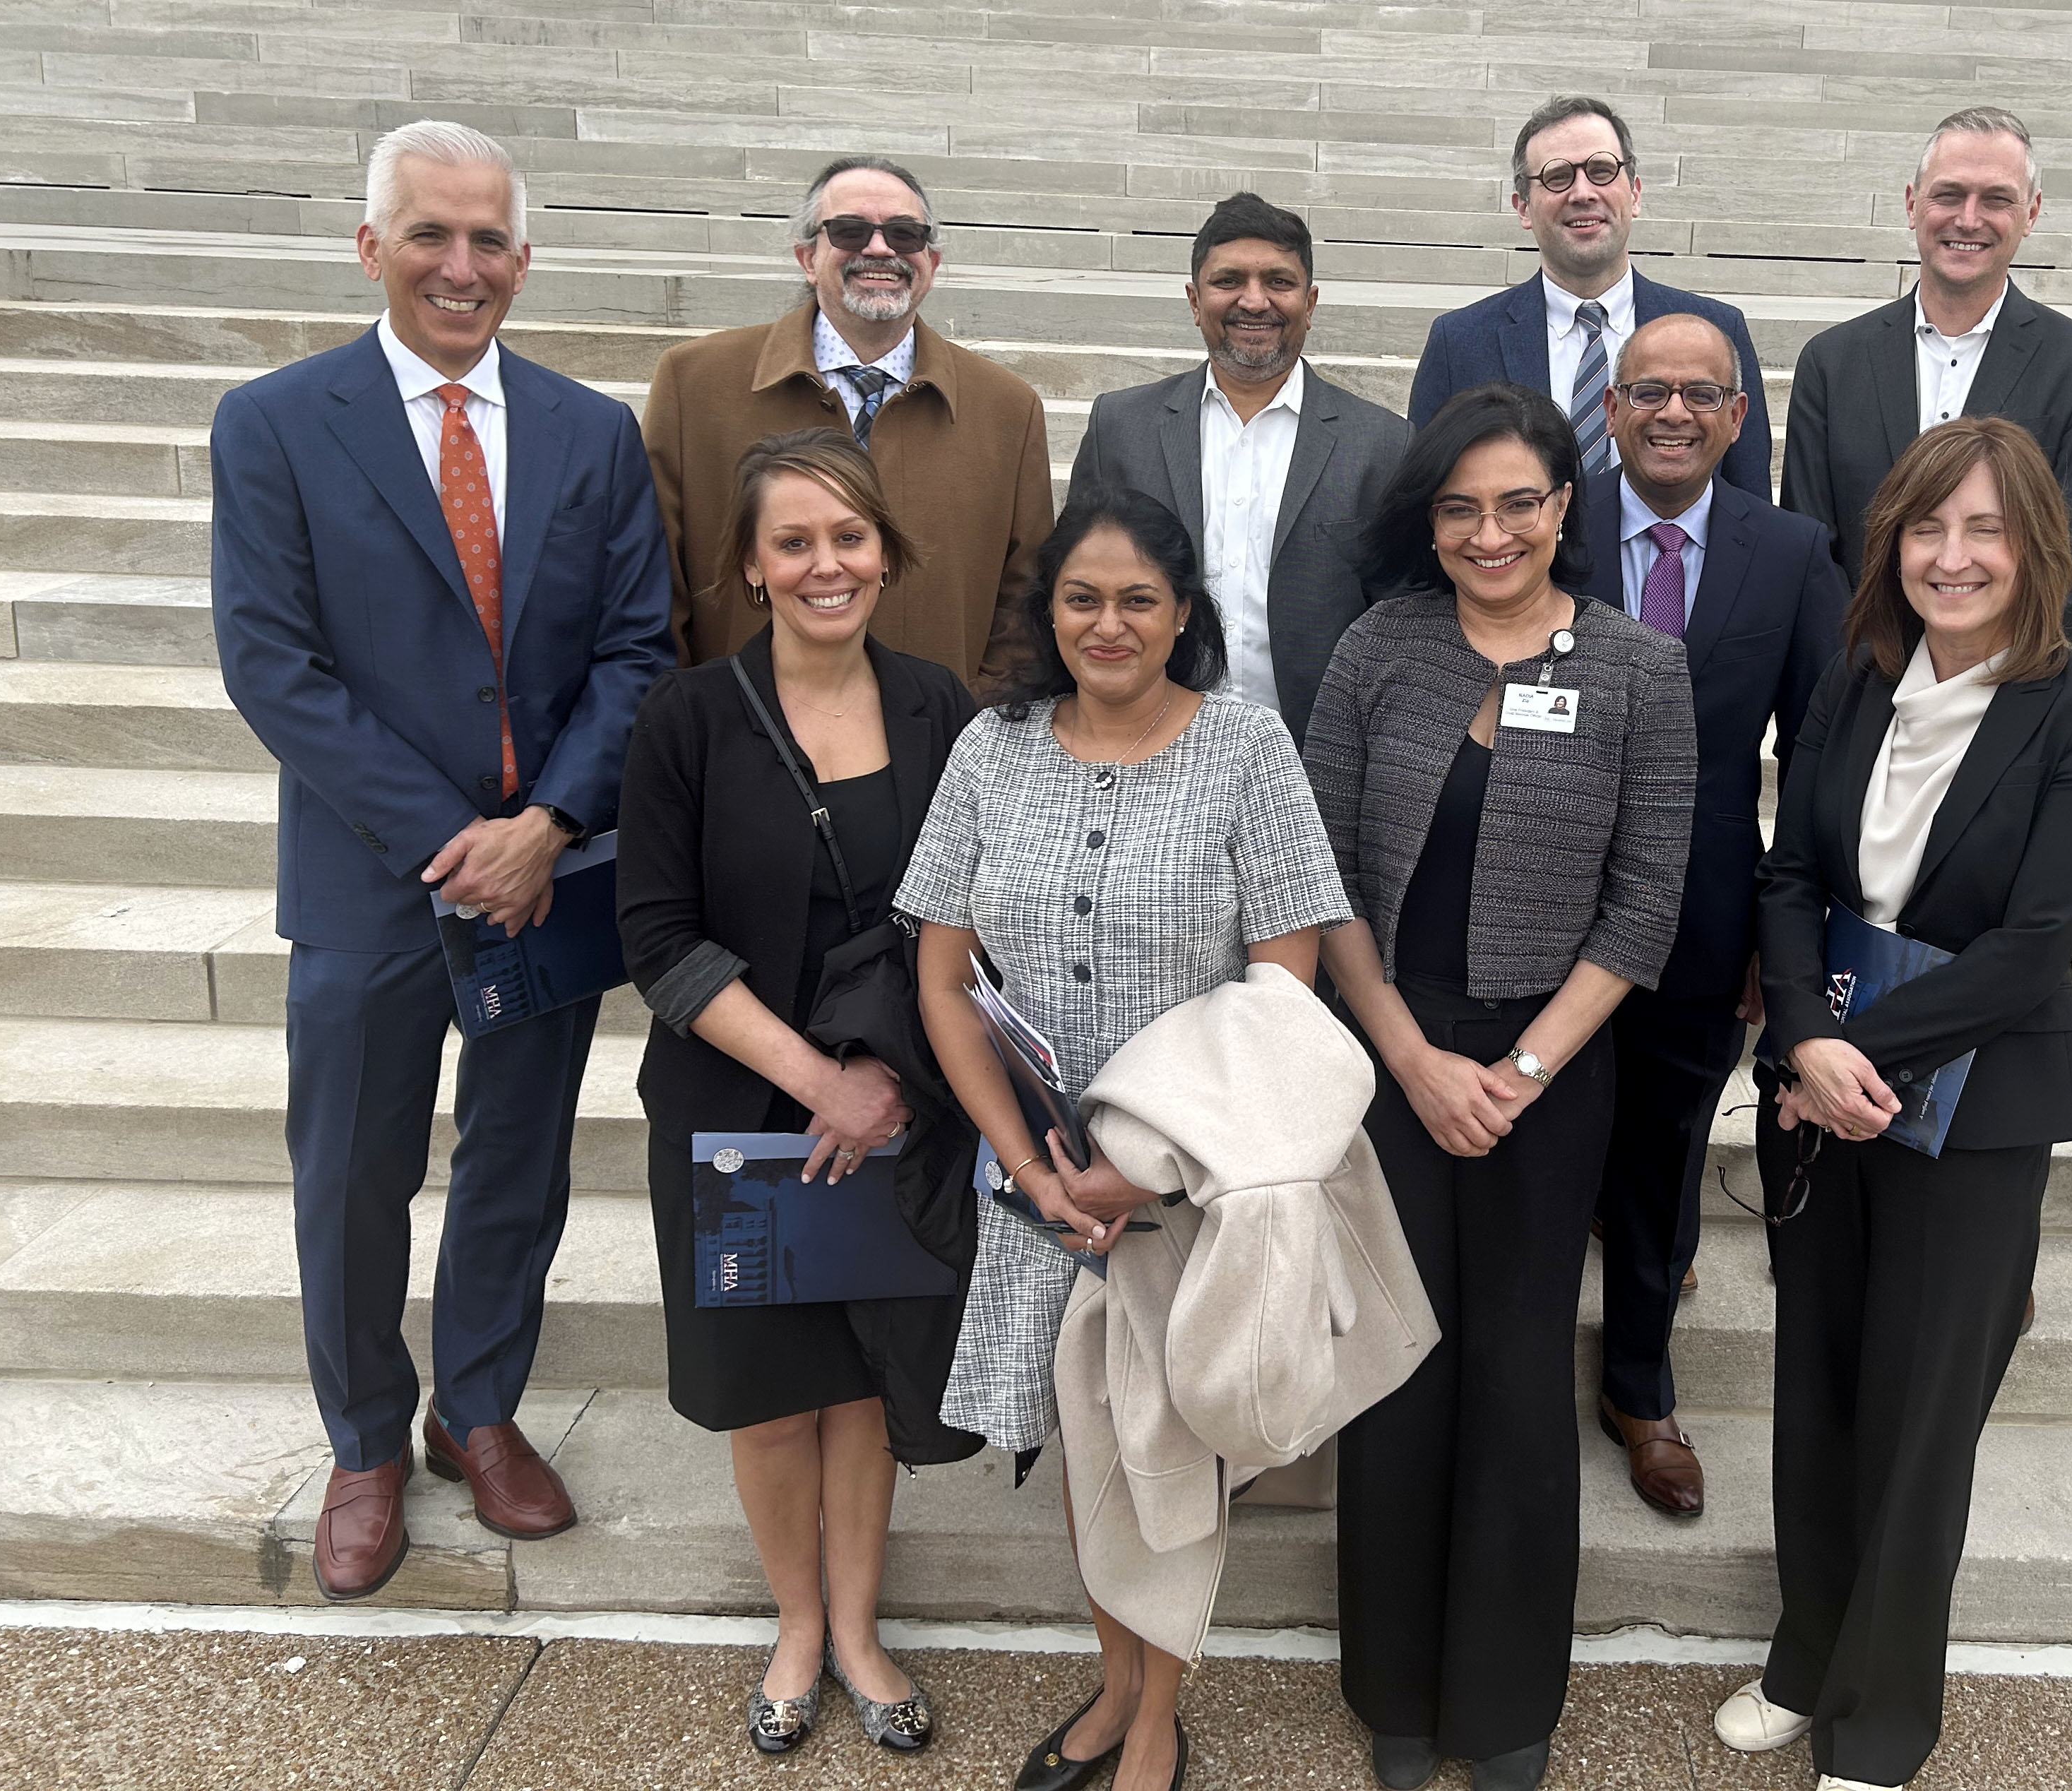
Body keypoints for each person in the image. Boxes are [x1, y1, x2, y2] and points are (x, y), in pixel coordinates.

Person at [208, 121, 672, 1601]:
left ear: (522, 263)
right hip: (368, 881)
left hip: (546, 878)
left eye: (487, 241)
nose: (459, 267)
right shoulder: (277, 421)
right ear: (371, 247)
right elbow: (273, 664)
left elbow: (636, 649)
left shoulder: (593, 432)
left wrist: (545, 829)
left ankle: (476, 1404)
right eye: (430, 235)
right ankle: (360, 1437)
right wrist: (443, 838)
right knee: (351, 1171)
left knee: (518, 1160)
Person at [897, 489, 1352, 1791]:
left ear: (1183, 615)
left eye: (1138, 599)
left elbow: (1286, 985)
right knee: (1083, 1453)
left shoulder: (1248, 748)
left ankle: (1156, 1717)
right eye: (1082, 598)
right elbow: (941, 979)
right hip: (1038, 1189)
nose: (1108, 622)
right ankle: (1113, 1683)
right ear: (1049, 613)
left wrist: (1143, 1158)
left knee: (1173, 1453)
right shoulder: (992, 748)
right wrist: (1038, 1169)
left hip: (1186, 1188)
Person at [1715, 416, 2072, 1791]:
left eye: (1984, 531)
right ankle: (1805, 1649)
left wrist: (1854, 1051)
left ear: (2037, 552)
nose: (1951, 556)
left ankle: (1884, 1714)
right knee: (1818, 1383)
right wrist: (1801, 1037)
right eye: (1925, 528)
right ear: (1892, 544)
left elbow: (2036, 941)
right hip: (1824, 1085)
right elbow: (1789, 876)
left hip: (1978, 1111)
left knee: (1919, 1409)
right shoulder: (1858, 680)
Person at [1305, 382, 1696, 1791]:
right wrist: (1410, 1053)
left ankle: (1508, 1695)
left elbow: (1645, 903)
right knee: (1400, 1366)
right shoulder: (1379, 649)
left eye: (1518, 500)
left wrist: (1521, 1070)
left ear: (1566, 506)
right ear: (1432, 518)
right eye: (1461, 505)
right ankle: (1398, 1694)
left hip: (1551, 1071)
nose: (1490, 530)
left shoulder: (1640, 668)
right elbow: (1326, 873)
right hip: (1389, 1055)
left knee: (1522, 1372)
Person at [617, 431, 985, 1754]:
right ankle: (795, 1628)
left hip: (897, 1104)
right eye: (794, 542)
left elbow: (960, 916)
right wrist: (816, 1078)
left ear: (886, 551)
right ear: (754, 568)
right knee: (771, 1391)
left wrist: (881, 1076)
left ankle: (862, 1627)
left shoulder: (942, 706)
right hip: (735, 1111)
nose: (826, 564)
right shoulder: (688, 719)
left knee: (862, 1379)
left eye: (848, 537)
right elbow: (654, 936)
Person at [1585, 314, 1845, 1518]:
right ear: (1611, 408)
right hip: (1533, 918)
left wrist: (1779, 946)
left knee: (1660, 1164)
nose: (1674, 410)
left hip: (1701, 919)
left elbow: (1822, 760)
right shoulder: (1543, 525)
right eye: (1649, 389)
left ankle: (1637, 1389)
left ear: (1739, 418)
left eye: (1701, 392)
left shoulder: (1788, 554)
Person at [643, 154, 1054, 684]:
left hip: (939, 751)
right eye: (850, 230)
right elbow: (654, 589)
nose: (879, 248)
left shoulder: (1007, 409)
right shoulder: (695, 385)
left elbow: (1025, 603)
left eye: (905, 234)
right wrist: (690, 727)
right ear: (808, 257)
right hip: (738, 746)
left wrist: (969, 722)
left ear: (931, 261)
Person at [1066, 191, 1411, 741]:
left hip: (1316, 756)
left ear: (1311, 302)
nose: (1255, 301)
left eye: (1279, 281)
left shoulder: (1382, 442)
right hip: (1145, 742)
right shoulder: (1121, 427)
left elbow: (1403, 619)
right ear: (1195, 300)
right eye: (1229, 281)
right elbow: (1073, 586)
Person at [1779, 107, 2072, 636]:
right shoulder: (1831, 362)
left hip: (2015, 686)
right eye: (1948, 194)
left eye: (1996, 199)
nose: (1968, 219)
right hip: (1860, 682)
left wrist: (1971, 667)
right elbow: (1812, 546)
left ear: (2031, 214)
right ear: (1912, 205)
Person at [1407, 95, 1772, 578]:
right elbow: (1423, 512)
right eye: (1558, 177)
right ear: (1522, 207)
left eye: (1602, 170)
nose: (1583, 192)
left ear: (1635, 193)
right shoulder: (1460, 342)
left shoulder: (1716, 330)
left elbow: (1748, 513)